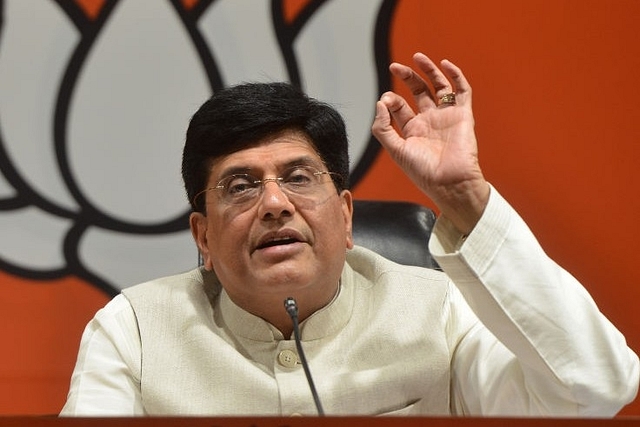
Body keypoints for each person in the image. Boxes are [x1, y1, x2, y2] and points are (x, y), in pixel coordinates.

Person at [60, 52, 639, 417]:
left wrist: (463, 196)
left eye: (297, 177)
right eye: (240, 186)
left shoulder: (440, 313)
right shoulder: (133, 329)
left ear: (346, 217)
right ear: (203, 238)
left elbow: (596, 389)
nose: (274, 204)